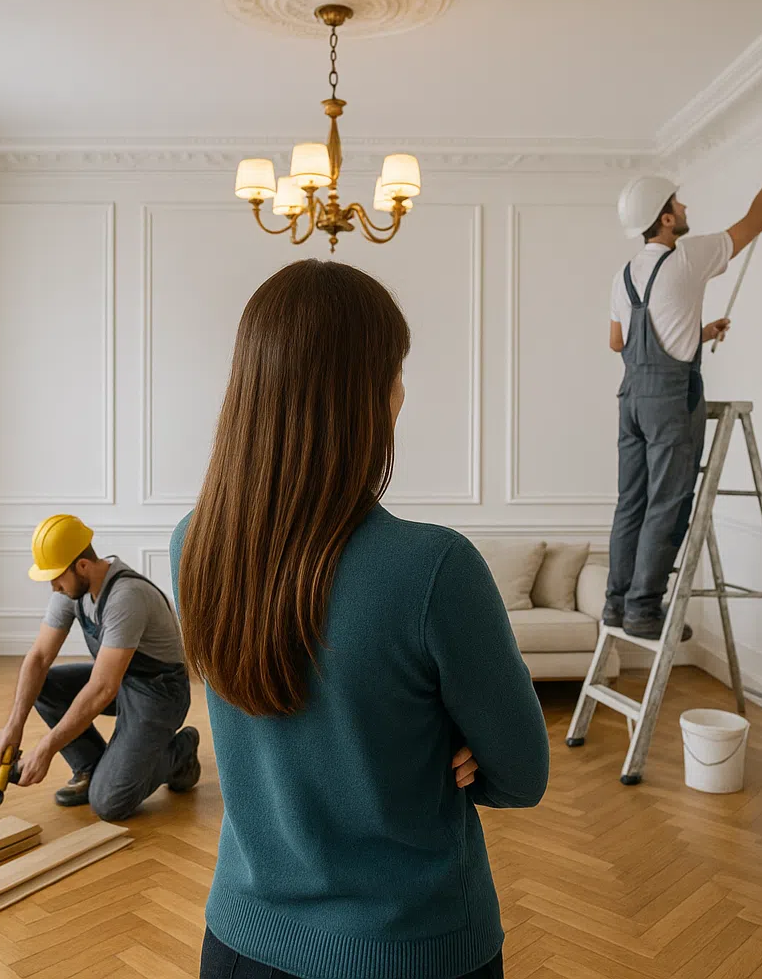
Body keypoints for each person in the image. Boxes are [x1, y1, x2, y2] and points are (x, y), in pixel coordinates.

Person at [172, 259, 549, 979]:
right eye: (396, 371)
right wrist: (459, 740)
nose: (403, 391)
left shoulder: (192, 543)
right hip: (412, 951)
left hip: (239, 946)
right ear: (366, 394)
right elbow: (522, 776)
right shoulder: (435, 569)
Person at [603, 135, 762, 640]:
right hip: (669, 400)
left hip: (630, 400)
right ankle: (645, 610)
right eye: (677, 202)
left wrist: (699, 330)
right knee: (668, 501)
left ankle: (616, 604)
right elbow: (757, 221)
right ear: (666, 219)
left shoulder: (625, 273)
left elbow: (617, 342)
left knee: (632, 502)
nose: (685, 206)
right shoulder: (688, 257)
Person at [0, 514, 200, 821]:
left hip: (159, 694)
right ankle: (90, 767)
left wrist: (47, 748)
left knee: (109, 803)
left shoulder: (126, 597)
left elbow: (103, 688)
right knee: (45, 685)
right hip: (122, 680)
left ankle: (180, 752)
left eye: (56, 577)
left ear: (83, 566)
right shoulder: (71, 590)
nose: (53, 587)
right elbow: (38, 658)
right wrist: (14, 723)